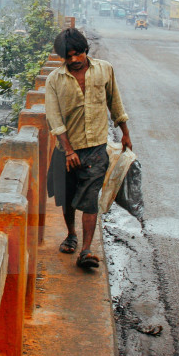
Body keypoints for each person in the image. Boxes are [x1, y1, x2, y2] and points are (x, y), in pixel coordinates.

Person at [45, 27, 131, 270]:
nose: (74, 60)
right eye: (68, 56)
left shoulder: (104, 69)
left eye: (77, 54)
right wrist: (69, 151)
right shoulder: (54, 80)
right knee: (68, 199)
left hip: (96, 148)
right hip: (66, 150)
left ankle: (86, 250)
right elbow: (54, 118)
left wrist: (125, 134)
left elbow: (116, 103)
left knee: (91, 199)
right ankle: (71, 234)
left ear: (85, 50)